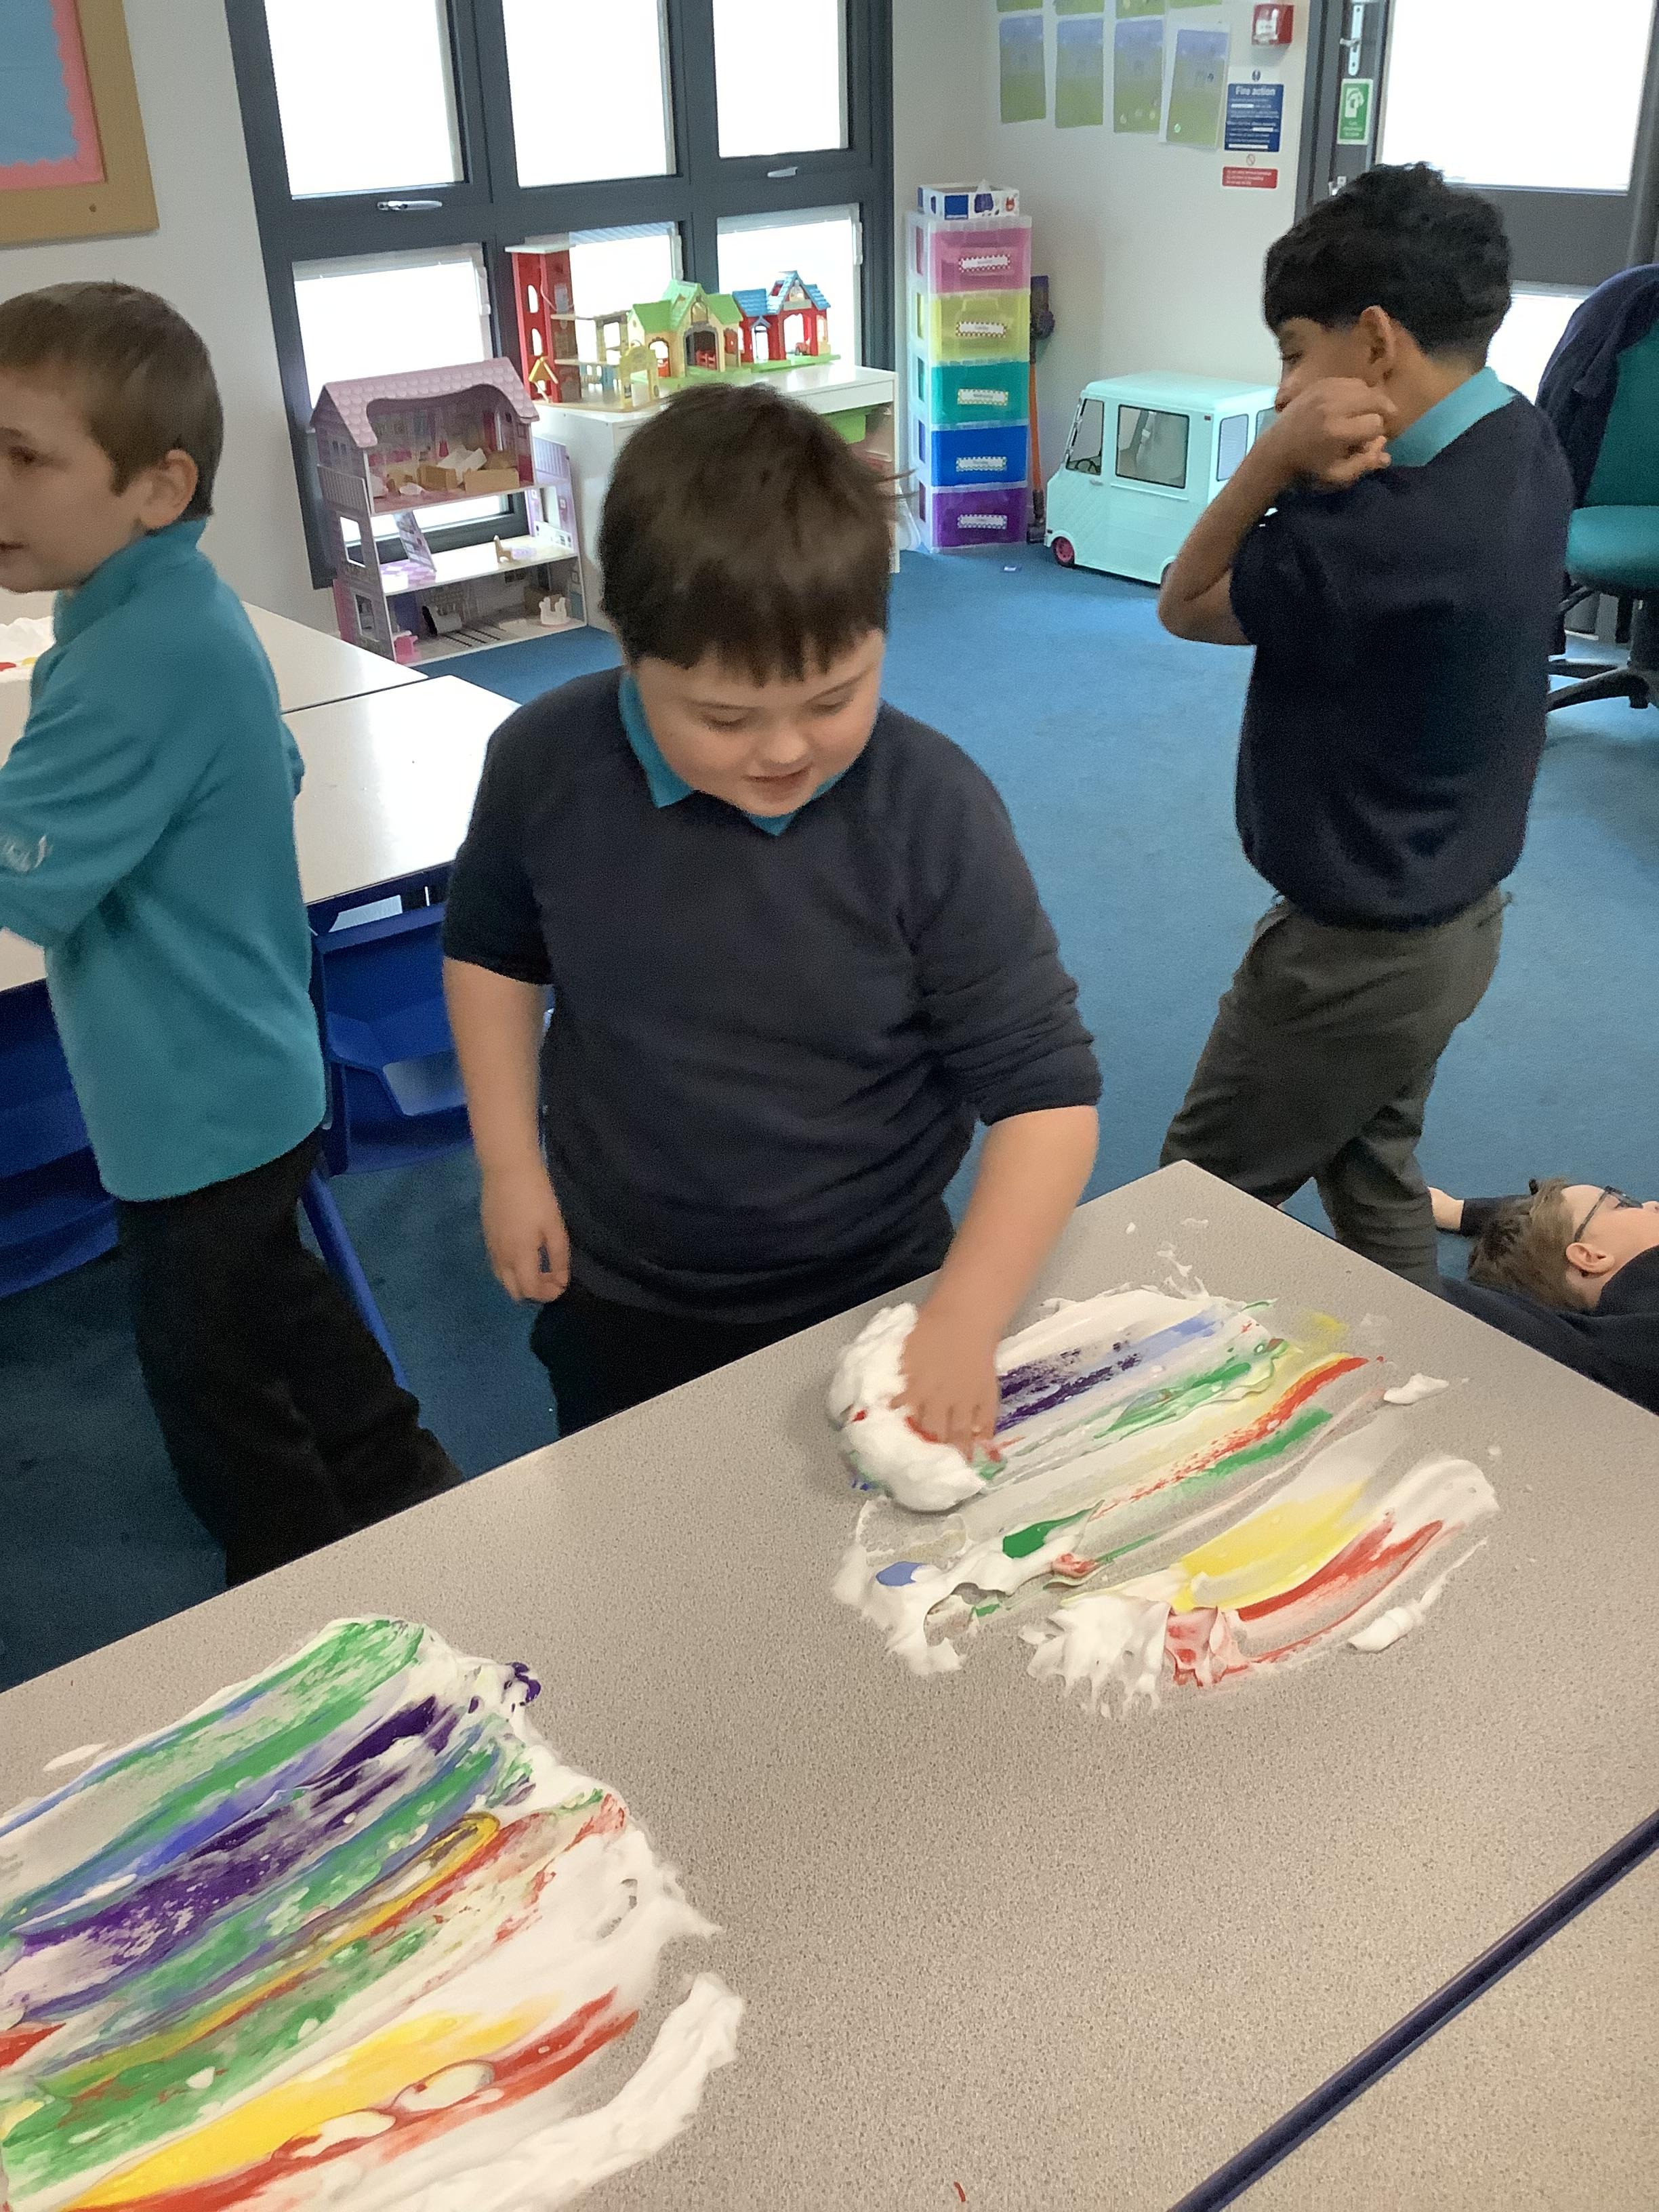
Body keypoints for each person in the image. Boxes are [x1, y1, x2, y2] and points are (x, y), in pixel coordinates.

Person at [443, 383, 1100, 1451]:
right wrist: (511, 1166)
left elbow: (1048, 1098)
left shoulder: (932, 809)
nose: (787, 750)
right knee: (638, 1521)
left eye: (835, 698)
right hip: (623, 1286)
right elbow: (492, 955)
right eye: (725, 717)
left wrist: (965, 1317)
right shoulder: (542, 764)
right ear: (629, 652)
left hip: (874, 1290)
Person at [0, 281, 459, 1583]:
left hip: (191, 1092)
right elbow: (274, 767)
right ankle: (399, 1468)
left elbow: (24, 880)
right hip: (247, 1057)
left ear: (157, 486)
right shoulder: (169, 607)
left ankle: (293, 1577)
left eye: (25, 458)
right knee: (273, 1296)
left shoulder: (132, 659)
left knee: (211, 1377)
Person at [1155, 163, 1574, 1292]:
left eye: (1295, 352)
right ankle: (1424, 1352)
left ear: (1376, 340)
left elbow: (1187, 602)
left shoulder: (1383, 538)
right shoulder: (1520, 443)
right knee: (1370, 1162)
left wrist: (1271, 458)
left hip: (1351, 955)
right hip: (1453, 914)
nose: (1285, 386)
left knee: (1190, 1199)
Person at [1433, 1180, 1659, 1414]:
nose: (1653, 1204)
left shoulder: (1620, 1343)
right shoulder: (1632, 1345)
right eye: (1621, 1204)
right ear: (1590, 1257)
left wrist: (1459, 1212)